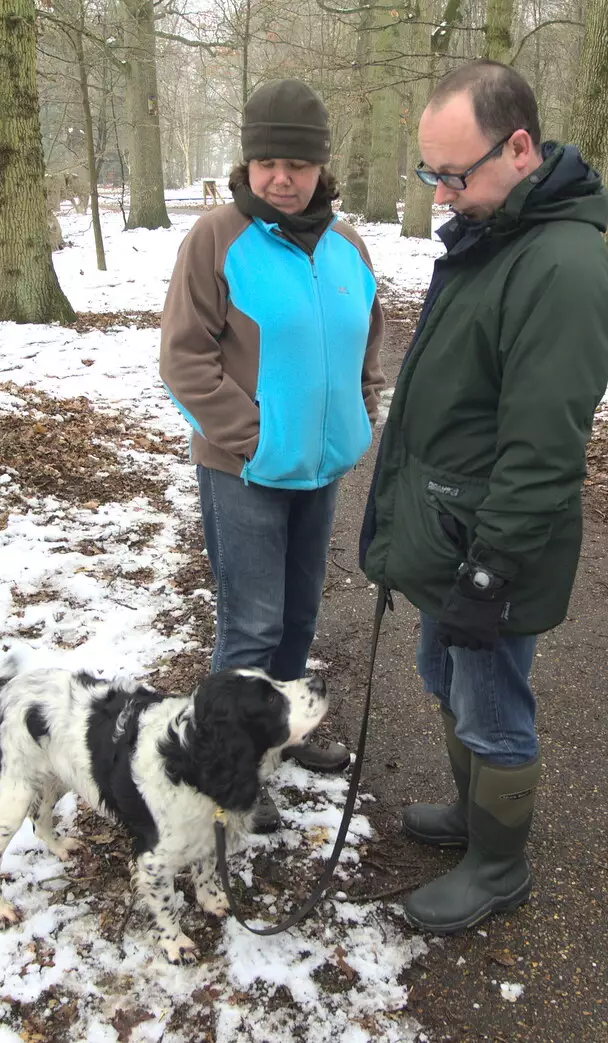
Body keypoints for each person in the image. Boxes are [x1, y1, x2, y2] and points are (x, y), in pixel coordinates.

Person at [359, 61, 608, 933]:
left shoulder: (562, 264)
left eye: (453, 174)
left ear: (518, 147)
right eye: (428, 174)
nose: (440, 195)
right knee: (446, 672)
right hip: (452, 526)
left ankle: (499, 865)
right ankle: (476, 818)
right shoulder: (494, 233)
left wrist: (492, 570)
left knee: (494, 700)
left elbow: (545, 444)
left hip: (492, 542)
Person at [160, 79, 385, 831]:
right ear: (246, 161)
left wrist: (361, 407)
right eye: (265, 161)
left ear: (323, 167)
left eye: (296, 162)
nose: (279, 178)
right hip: (245, 470)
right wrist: (256, 438)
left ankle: (280, 732)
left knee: (297, 613)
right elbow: (185, 360)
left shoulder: (349, 245)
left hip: (320, 471)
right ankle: (227, 772)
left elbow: (366, 339)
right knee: (251, 624)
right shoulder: (217, 238)